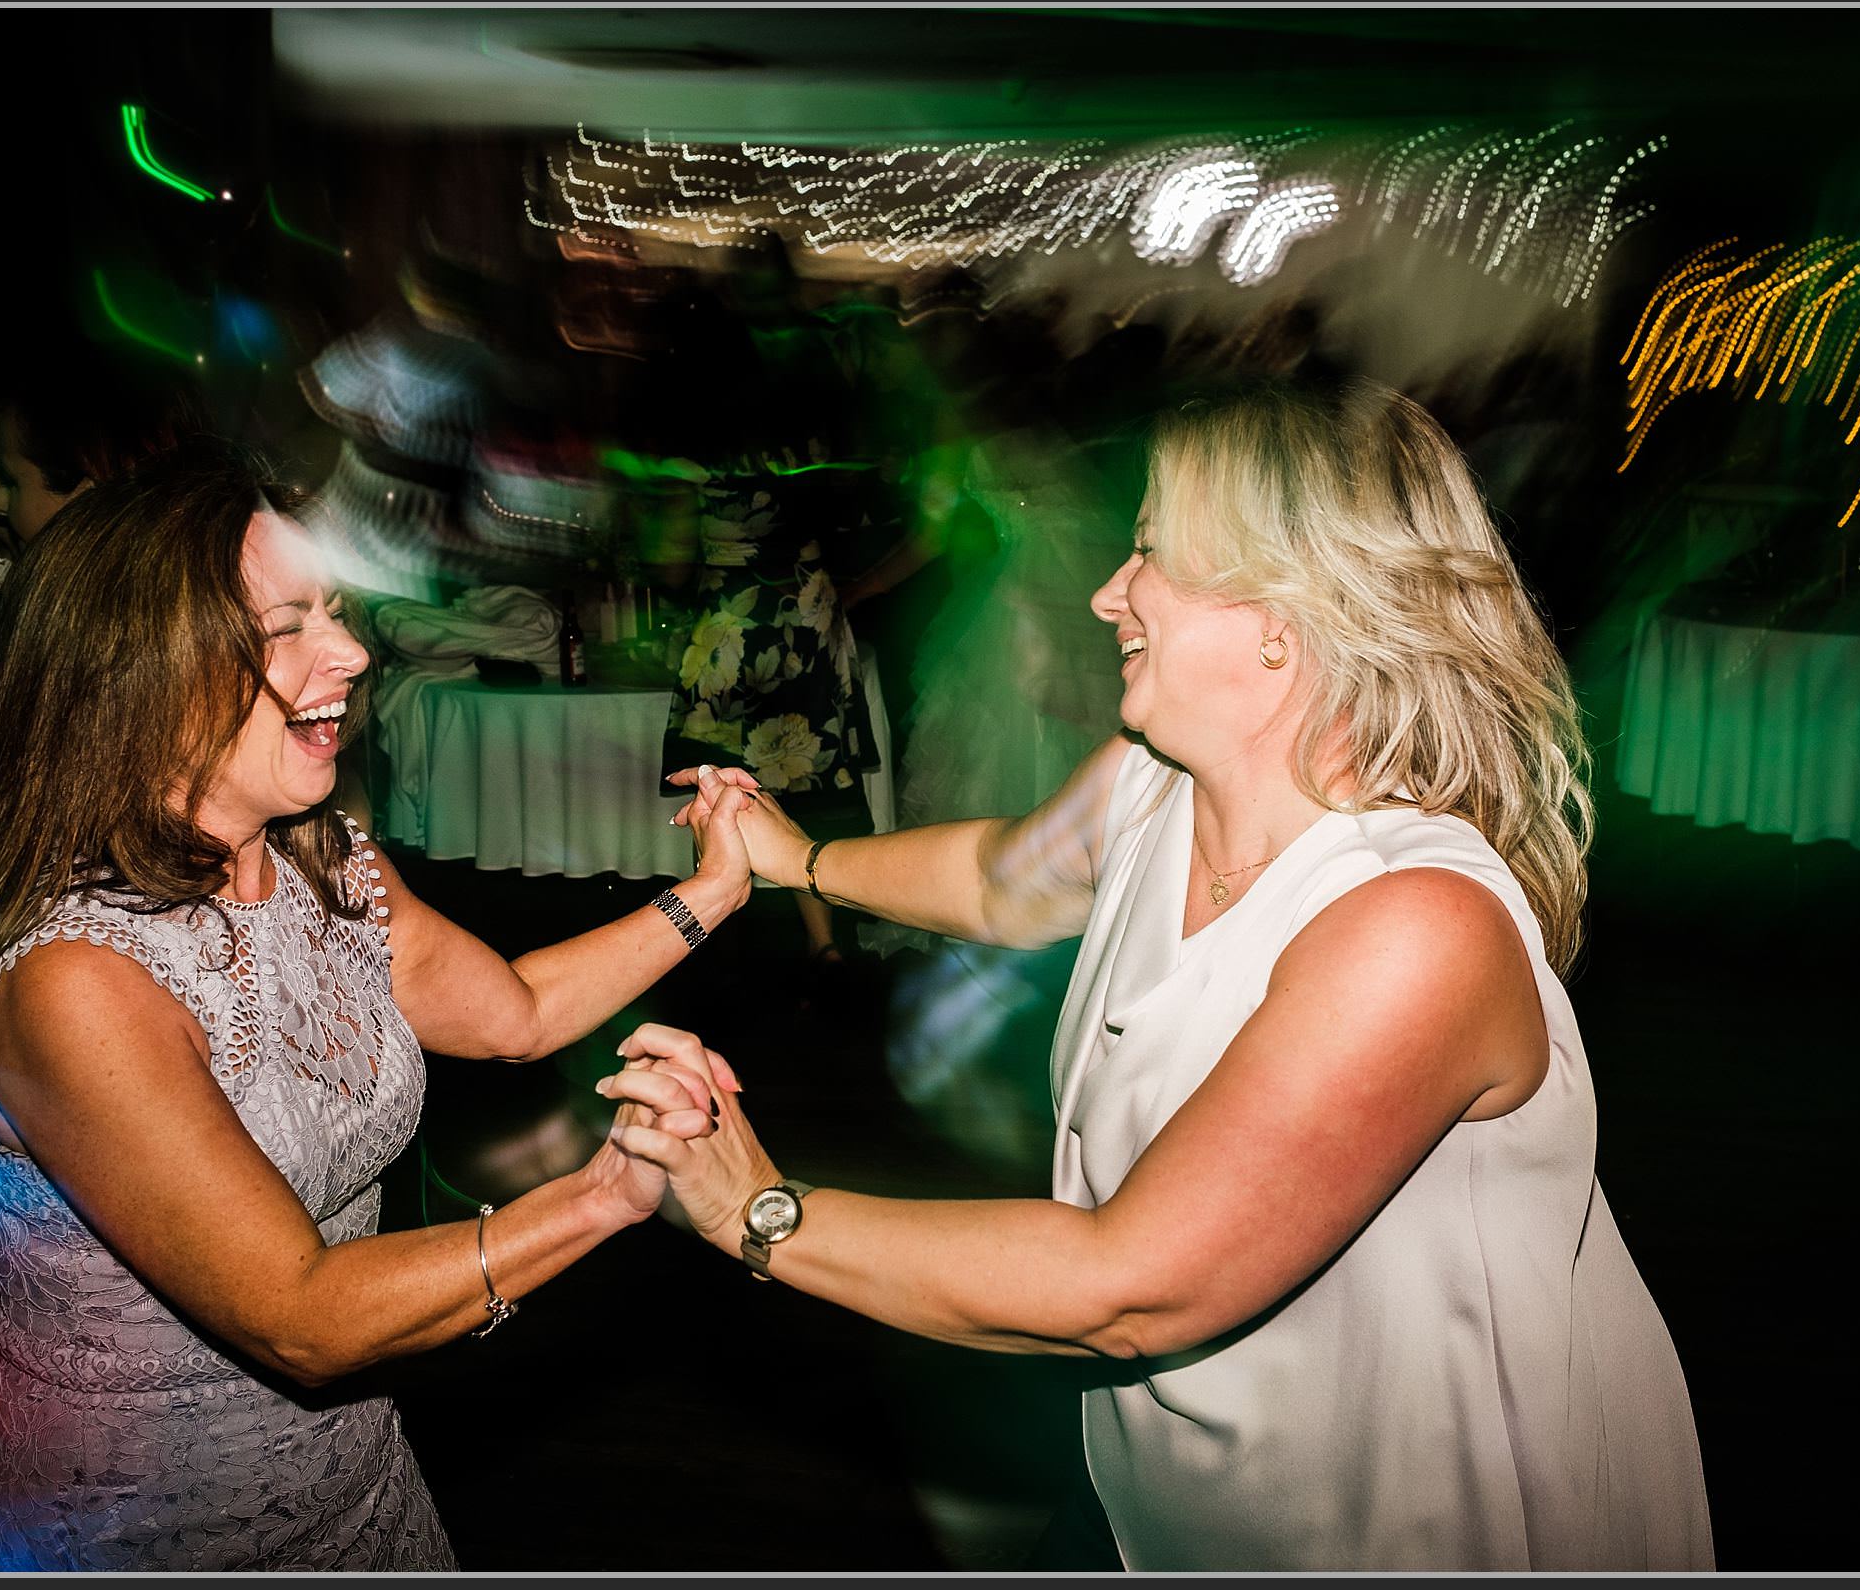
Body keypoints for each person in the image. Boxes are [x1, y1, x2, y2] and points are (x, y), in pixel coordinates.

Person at [638, 380, 1716, 1571]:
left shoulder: (1413, 925)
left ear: (1281, 619)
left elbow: (1131, 1285)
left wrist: (760, 1212)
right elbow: (1003, 877)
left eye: (1149, 552)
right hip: (1169, 1495)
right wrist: (797, 859)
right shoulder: (1153, 779)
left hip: (1410, 1521)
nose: (1108, 592)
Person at [0, 440, 754, 1570]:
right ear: (144, 669)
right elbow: (301, 1312)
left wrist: (710, 892)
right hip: (141, 1535)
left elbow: (513, 1010)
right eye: (289, 627)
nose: (355, 653)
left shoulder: (325, 859)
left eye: (340, 611)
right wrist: (604, 1197)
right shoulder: (72, 981)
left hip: (359, 1489)